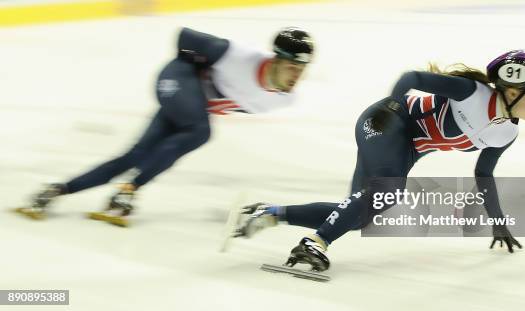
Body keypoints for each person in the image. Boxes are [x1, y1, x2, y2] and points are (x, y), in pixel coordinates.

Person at [234, 50, 525, 271]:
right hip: (385, 121)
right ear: (513, 92)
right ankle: (314, 243)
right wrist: (390, 106)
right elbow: (411, 77)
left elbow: (484, 174)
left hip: (407, 147)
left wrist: (497, 222)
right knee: (386, 192)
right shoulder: (471, 92)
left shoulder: (506, 134)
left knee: (358, 213)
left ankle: (269, 214)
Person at [15, 27, 314, 227]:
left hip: (189, 104)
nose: (295, 76)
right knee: (201, 131)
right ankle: (129, 190)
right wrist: (194, 72)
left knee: (133, 156)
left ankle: (53, 192)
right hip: (178, 78)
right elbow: (185, 37)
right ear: (276, 59)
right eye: (291, 67)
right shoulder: (234, 53)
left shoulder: (284, 100)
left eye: (301, 70)